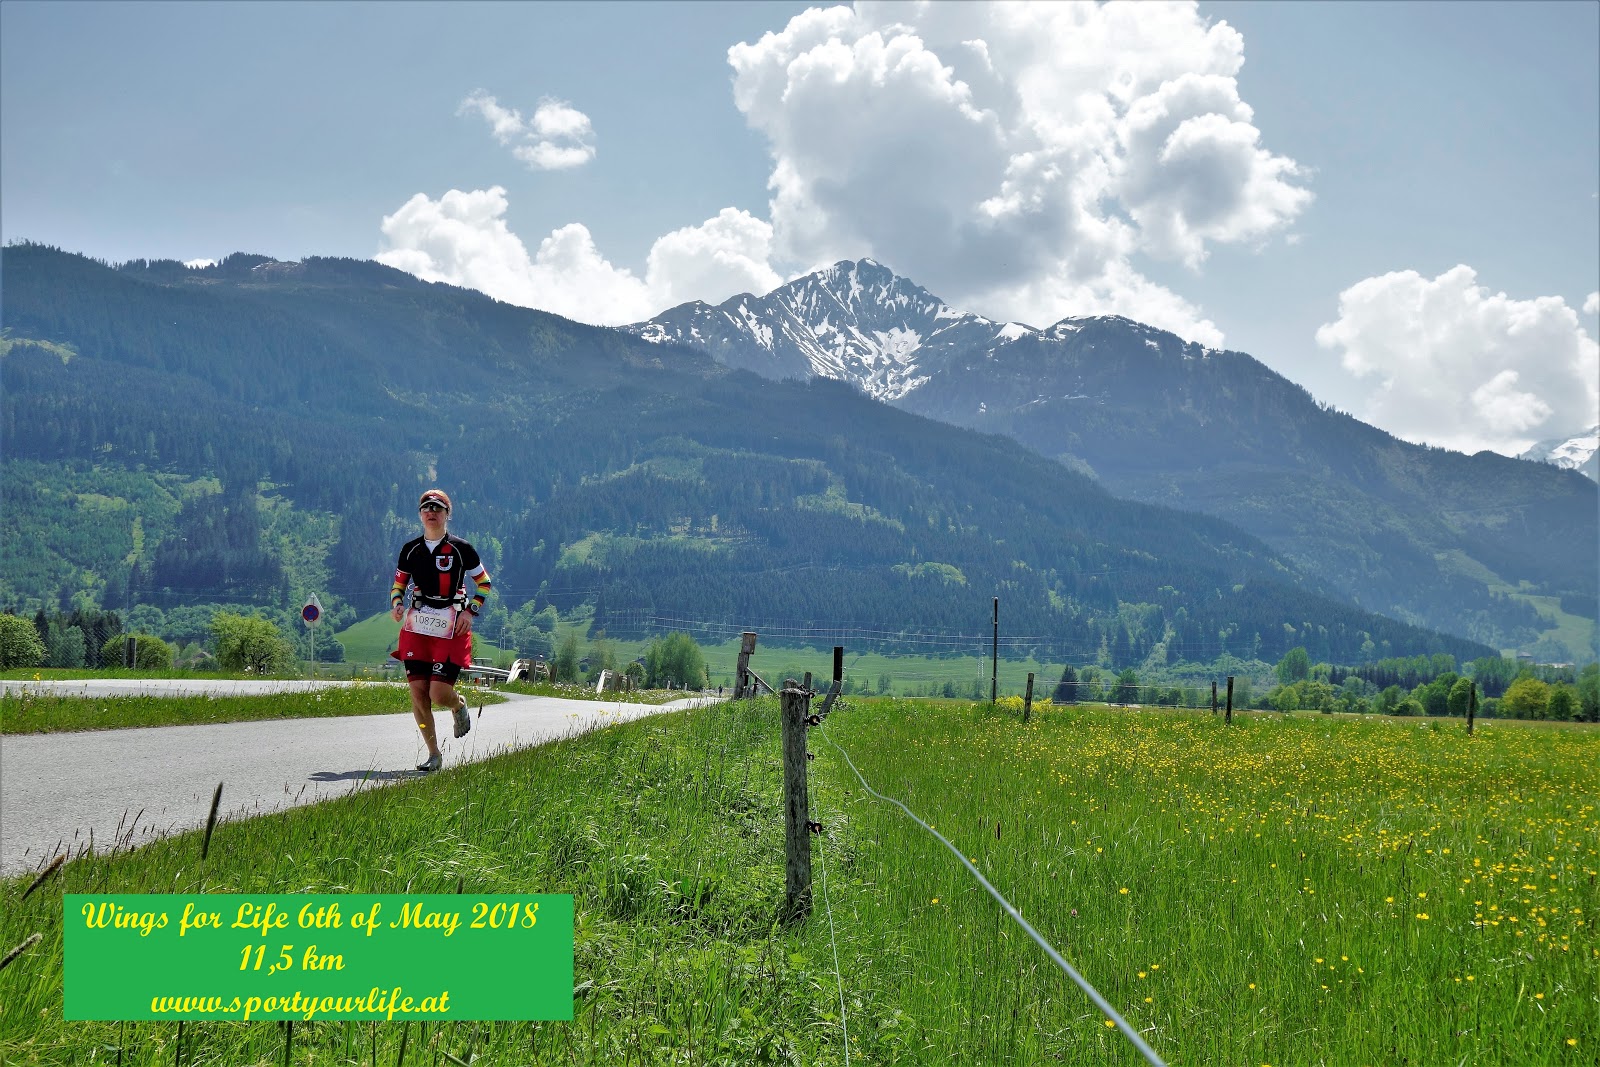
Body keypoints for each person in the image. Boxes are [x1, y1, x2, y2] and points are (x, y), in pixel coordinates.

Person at [390, 489, 492, 772]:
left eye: (437, 508)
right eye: (426, 508)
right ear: (420, 515)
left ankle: (457, 705)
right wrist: (397, 604)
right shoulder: (410, 549)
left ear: (448, 514)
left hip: (451, 626)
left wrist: (470, 612)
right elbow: (398, 586)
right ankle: (434, 754)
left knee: (438, 693)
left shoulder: (462, 548)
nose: (431, 512)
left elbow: (484, 583)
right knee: (418, 694)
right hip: (418, 626)